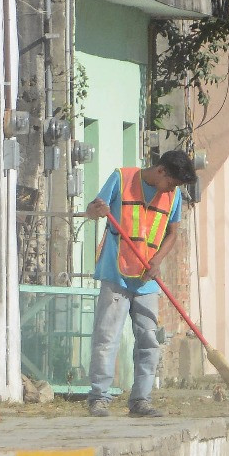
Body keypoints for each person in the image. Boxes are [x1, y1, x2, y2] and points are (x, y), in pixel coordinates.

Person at [84, 150, 198, 418]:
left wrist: (157, 261)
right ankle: (99, 398)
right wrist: (96, 210)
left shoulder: (174, 195)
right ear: (161, 171)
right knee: (107, 337)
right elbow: (92, 211)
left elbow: (172, 232)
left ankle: (140, 401)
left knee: (149, 340)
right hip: (116, 273)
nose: (172, 189)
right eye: (171, 183)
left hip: (147, 279)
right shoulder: (121, 179)